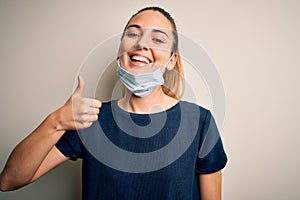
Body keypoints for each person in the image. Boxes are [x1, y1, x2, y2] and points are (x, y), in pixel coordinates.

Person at [0, 6, 227, 200]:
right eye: (133, 34)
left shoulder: (199, 122)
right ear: (120, 49)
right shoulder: (90, 119)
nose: (141, 44)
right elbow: (9, 181)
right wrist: (55, 122)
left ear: (171, 60)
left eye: (157, 39)